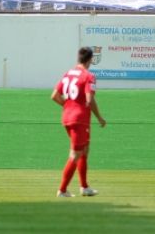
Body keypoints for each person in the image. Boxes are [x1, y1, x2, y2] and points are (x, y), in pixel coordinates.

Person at [51, 47, 106, 197]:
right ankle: (62, 190)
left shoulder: (69, 73)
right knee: (75, 154)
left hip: (68, 117)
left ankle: (84, 187)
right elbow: (90, 99)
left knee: (84, 150)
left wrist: (68, 105)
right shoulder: (88, 76)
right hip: (79, 119)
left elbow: (54, 95)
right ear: (90, 60)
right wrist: (100, 117)